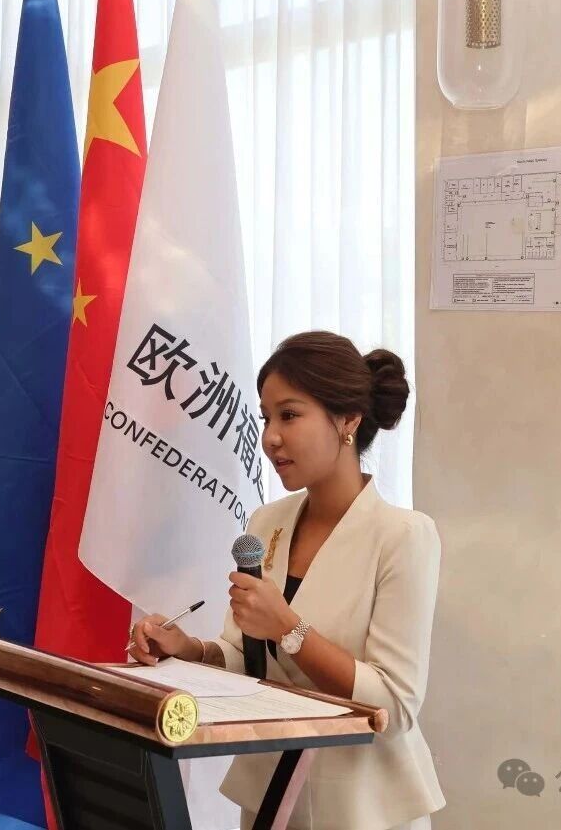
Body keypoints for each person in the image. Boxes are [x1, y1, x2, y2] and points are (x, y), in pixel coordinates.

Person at [129, 330, 446, 829]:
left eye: (290, 415)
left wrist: (288, 628)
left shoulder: (403, 536)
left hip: (363, 807)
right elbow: (248, 659)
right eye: (266, 418)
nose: (270, 436)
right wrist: (188, 649)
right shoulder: (267, 523)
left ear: (348, 420)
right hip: (272, 794)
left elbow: (395, 705)